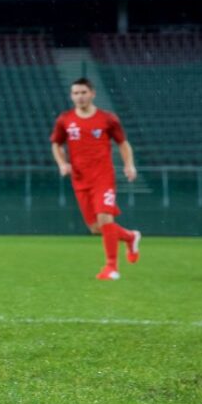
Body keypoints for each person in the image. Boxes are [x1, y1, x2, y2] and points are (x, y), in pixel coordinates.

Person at [50, 78, 141, 280]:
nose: (79, 97)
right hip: (80, 179)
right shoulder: (65, 120)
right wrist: (62, 163)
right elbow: (56, 144)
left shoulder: (108, 119)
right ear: (71, 96)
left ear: (92, 94)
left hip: (103, 177)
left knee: (105, 218)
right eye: (75, 93)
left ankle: (111, 267)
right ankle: (130, 237)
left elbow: (123, 143)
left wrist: (129, 165)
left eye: (83, 92)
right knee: (95, 228)